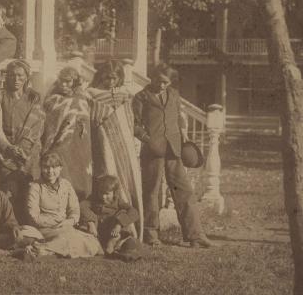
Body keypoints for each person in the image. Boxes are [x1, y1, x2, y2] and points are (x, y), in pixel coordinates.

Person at [133, 63, 213, 248]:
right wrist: (147, 139)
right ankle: (151, 234)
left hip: (174, 150)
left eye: (166, 83)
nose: (162, 86)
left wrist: (182, 131)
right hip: (153, 152)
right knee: (152, 192)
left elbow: (179, 116)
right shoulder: (140, 97)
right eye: (160, 81)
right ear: (152, 77)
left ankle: (195, 235)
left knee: (184, 190)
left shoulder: (174, 95)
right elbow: (135, 124)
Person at [87, 60, 143, 239]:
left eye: (114, 78)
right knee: (109, 176)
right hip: (104, 140)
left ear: (119, 78)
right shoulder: (92, 94)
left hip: (124, 144)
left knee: (128, 177)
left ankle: (129, 226)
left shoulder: (125, 95)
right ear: (100, 77)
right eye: (107, 78)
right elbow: (94, 116)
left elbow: (129, 117)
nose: (110, 82)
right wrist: (107, 113)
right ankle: (108, 225)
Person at [0, 59, 44, 224]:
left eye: (20, 76)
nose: (16, 79)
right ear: (7, 77)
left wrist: (22, 150)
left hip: (29, 152)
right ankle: (7, 226)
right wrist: (8, 147)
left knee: (28, 190)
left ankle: (28, 227)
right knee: (8, 191)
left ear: (26, 77)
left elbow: (37, 125)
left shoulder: (34, 97)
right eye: (12, 75)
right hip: (5, 152)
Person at [23, 152, 102, 259]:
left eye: (54, 167)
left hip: (65, 226)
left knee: (91, 240)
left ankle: (44, 250)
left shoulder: (66, 185)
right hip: (45, 229)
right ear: (41, 168)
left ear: (60, 168)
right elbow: (34, 216)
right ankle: (46, 249)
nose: (50, 171)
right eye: (46, 167)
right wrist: (56, 221)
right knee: (68, 239)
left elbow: (74, 211)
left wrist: (67, 222)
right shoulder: (35, 187)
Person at [41, 67, 93, 200]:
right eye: (61, 81)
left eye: (68, 82)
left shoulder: (82, 98)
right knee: (59, 171)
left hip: (78, 142)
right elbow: (48, 120)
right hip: (58, 143)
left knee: (78, 174)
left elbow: (87, 117)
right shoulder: (52, 97)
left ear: (75, 82)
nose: (64, 85)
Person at [80, 176, 142, 261]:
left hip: (112, 231)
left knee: (122, 212)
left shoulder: (118, 201)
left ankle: (112, 243)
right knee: (86, 218)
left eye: (107, 194)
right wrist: (91, 222)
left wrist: (119, 224)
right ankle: (102, 247)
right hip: (97, 231)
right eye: (100, 193)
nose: (103, 196)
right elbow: (82, 206)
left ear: (114, 193)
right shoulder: (93, 199)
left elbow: (134, 211)